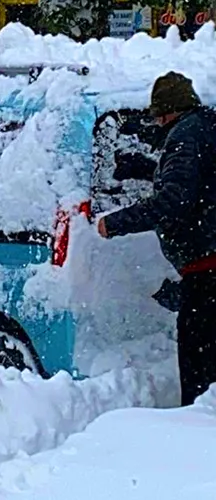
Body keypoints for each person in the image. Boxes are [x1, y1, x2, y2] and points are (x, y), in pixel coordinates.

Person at [96, 72, 216, 407]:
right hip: (207, 261)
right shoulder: (206, 127)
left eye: (157, 114)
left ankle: (193, 434)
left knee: (199, 369)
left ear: (169, 110)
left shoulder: (184, 136)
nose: (156, 122)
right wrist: (147, 169)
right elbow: (198, 178)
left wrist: (116, 222)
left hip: (206, 268)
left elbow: (175, 200)